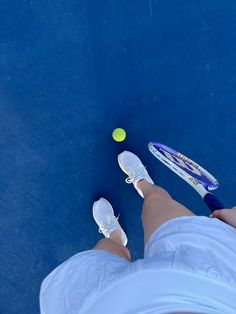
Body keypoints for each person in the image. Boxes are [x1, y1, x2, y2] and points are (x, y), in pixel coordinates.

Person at [40, 151, 236, 314]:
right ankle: (143, 183)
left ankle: (115, 237)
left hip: (116, 305)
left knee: (106, 249)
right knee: (156, 201)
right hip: (215, 280)